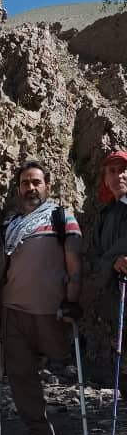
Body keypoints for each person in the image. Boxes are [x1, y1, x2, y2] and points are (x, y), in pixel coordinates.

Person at [0, 159, 82, 435]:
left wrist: (72, 301)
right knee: (21, 377)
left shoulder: (62, 219)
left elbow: (74, 264)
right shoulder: (10, 225)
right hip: (13, 311)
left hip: (52, 312)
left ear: (47, 185)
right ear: (18, 188)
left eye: (36, 182)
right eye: (25, 183)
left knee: (64, 365)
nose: (30, 188)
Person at [92, 149, 127, 400]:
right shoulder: (104, 217)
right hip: (117, 303)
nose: (118, 176)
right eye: (112, 172)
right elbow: (94, 257)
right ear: (105, 180)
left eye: (123, 170)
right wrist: (113, 262)